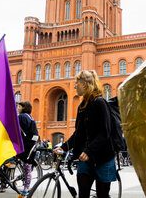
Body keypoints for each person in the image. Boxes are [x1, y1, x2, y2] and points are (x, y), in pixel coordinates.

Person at [55, 70, 116, 198]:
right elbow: (79, 133)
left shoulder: (100, 103)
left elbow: (105, 133)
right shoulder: (82, 106)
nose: (75, 86)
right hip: (85, 157)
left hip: (102, 157)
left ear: (85, 84)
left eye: (77, 83)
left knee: (102, 194)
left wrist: (89, 151)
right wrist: (64, 146)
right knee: (83, 193)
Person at [17, 101, 39, 195]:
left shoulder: (22, 117)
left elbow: (16, 128)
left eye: (19, 106)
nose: (18, 108)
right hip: (31, 145)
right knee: (27, 166)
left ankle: (25, 190)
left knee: (27, 168)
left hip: (25, 145)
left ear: (24, 107)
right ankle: (26, 188)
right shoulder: (31, 117)